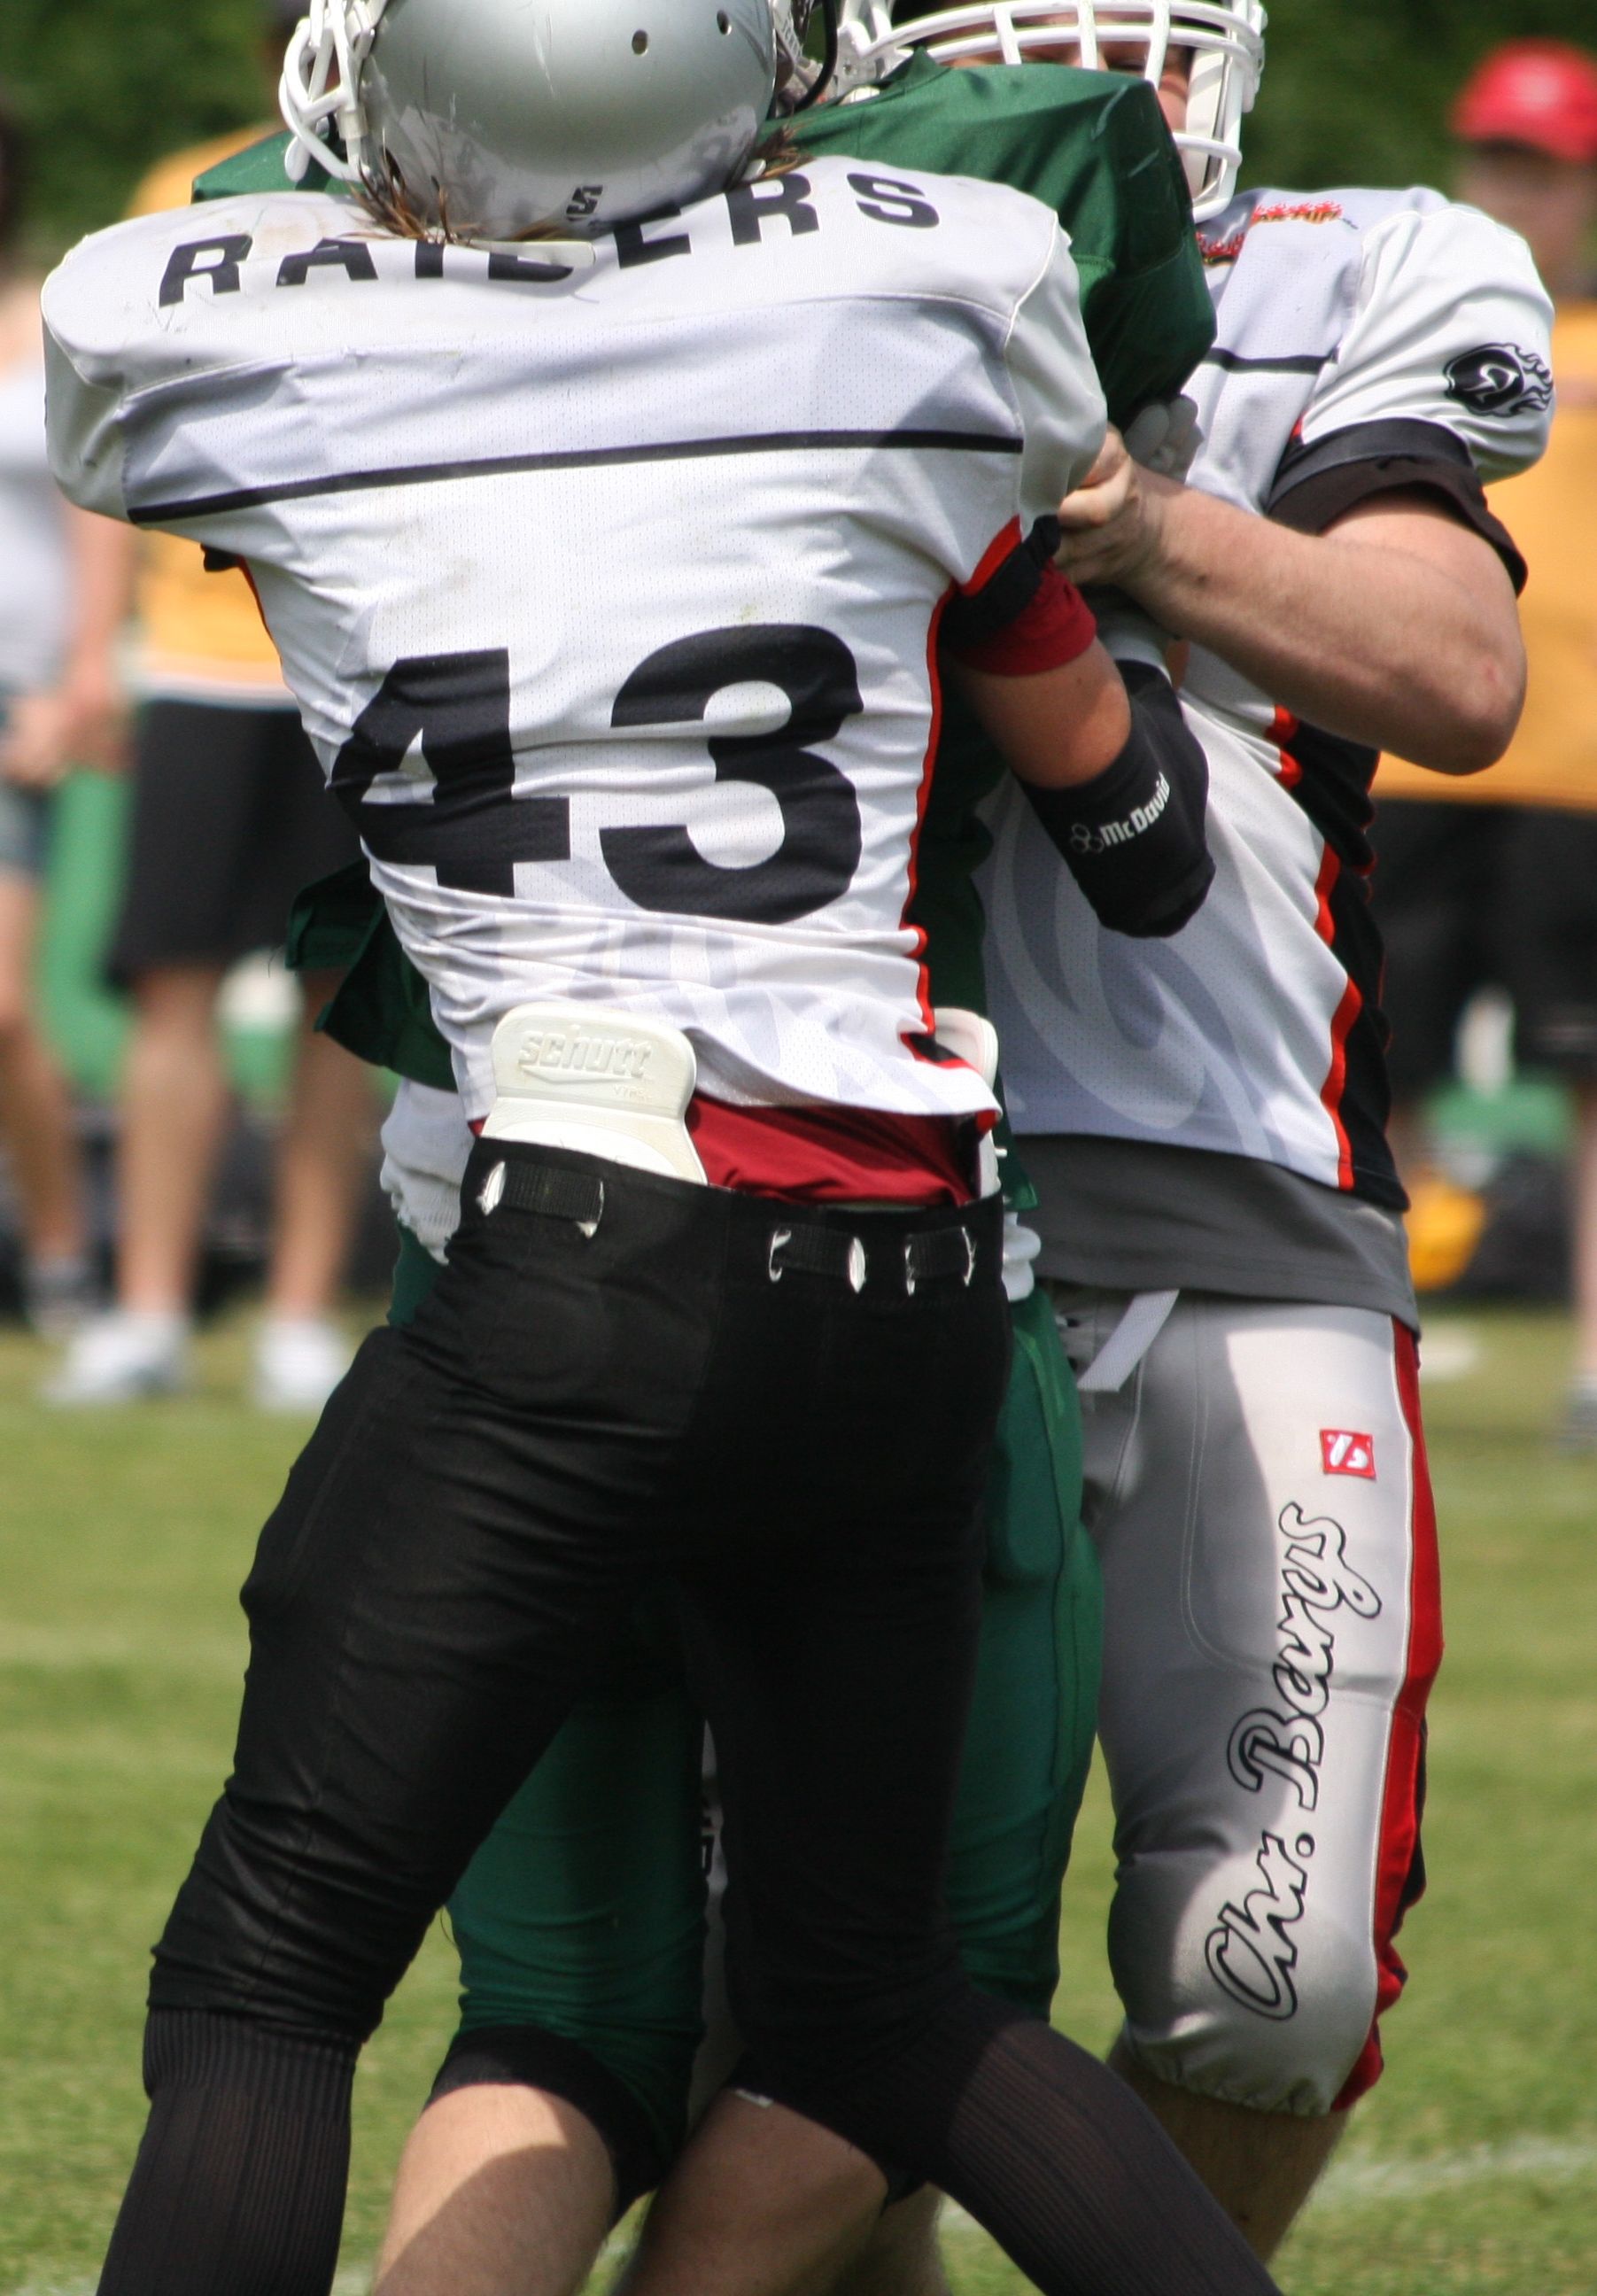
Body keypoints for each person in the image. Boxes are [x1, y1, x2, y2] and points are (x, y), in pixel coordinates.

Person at [43, 4, 1283, 2292]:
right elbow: (1138, 850)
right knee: (879, 2006)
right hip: (912, 1283)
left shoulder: (227, 342)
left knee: (266, 1983)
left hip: (584, 1260)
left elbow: (236, 284)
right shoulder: (929, 294)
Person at [912, 0, 1548, 2262]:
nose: (1099, 77)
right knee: (805, 1991)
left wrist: (1133, 519)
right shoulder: (783, 270)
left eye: (1132, 34)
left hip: (1245, 1193)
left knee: (1269, 1977)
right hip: (867, 1196)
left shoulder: (1355, 264)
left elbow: (1450, 677)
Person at [44, 0, 374, 1412]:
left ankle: (301, 1312)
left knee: (339, 998)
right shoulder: (182, 187)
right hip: (195, 660)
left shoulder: (426, 196)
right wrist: (90, 656)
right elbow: (106, 442)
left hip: (357, 661)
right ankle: (148, 1310)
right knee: (173, 987)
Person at [1371, 39, 1597, 1449]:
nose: (1516, 193)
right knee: (1372, 1062)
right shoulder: (1399, 331)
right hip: (1406, 752)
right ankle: (1370, 1336)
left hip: (1578, 767)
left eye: (1544, 170)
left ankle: (1594, 1370)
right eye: (1497, 162)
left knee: (1587, 1076)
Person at [0, 86, 103, 1336]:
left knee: (5, 1009)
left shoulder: (55, 320)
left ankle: (64, 1255)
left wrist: (83, 681)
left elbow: (96, 519)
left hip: (19, 698)